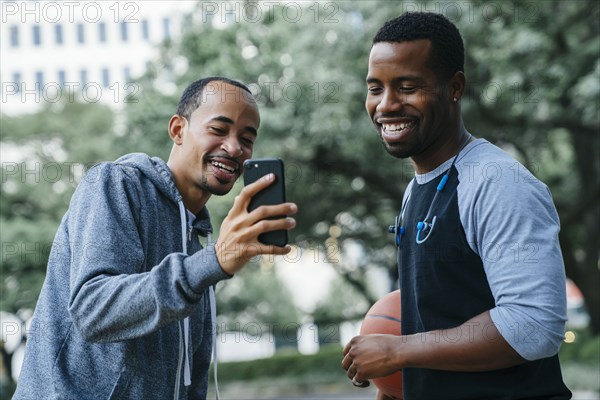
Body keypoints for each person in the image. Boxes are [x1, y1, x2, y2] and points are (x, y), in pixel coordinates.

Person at [13, 77, 297, 399]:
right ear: (177, 130)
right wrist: (212, 261)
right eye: (219, 130)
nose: (234, 148)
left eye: (247, 138)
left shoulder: (197, 243)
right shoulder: (115, 184)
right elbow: (93, 310)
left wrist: (208, 262)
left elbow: (193, 375)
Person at [342, 12, 571, 400]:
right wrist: (396, 386)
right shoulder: (416, 191)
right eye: (375, 88)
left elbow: (534, 325)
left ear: (455, 87)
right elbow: (438, 313)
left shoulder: (498, 183)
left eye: (407, 86)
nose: (386, 105)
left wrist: (399, 350)